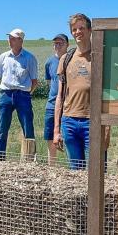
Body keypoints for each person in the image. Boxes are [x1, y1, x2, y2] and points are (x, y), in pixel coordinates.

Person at [53, 13, 110, 169]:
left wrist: (107, 128)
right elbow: (60, 96)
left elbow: (109, 95)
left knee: (97, 170)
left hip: (93, 122)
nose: (78, 32)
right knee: (75, 173)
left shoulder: (100, 56)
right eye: (74, 29)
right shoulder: (66, 59)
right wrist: (56, 130)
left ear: (90, 30)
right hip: (69, 121)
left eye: (81, 28)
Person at [0, 28, 38, 159]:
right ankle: (0, 158)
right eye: (9, 38)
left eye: (13, 38)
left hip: (23, 95)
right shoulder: (3, 57)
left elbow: (34, 81)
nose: (10, 40)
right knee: (2, 128)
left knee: (28, 128)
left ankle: (30, 158)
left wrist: (27, 94)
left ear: (21, 40)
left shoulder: (30, 58)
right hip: (5, 94)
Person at [43, 34, 69, 165]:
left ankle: (72, 168)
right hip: (51, 104)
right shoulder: (49, 62)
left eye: (61, 43)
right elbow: (49, 82)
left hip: (69, 105)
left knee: (68, 137)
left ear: (67, 45)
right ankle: (51, 166)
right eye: (55, 44)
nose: (57, 46)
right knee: (49, 137)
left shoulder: (70, 60)